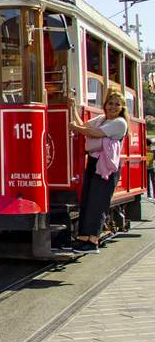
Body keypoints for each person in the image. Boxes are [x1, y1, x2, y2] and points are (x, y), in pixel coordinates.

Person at [68, 90, 130, 254]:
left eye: (117, 104)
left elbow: (94, 133)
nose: (113, 107)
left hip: (106, 166)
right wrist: (72, 107)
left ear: (122, 107)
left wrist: (74, 128)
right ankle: (83, 239)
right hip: (95, 163)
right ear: (105, 105)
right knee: (88, 200)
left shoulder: (119, 123)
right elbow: (85, 125)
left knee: (98, 203)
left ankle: (93, 241)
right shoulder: (102, 119)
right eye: (110, 103)